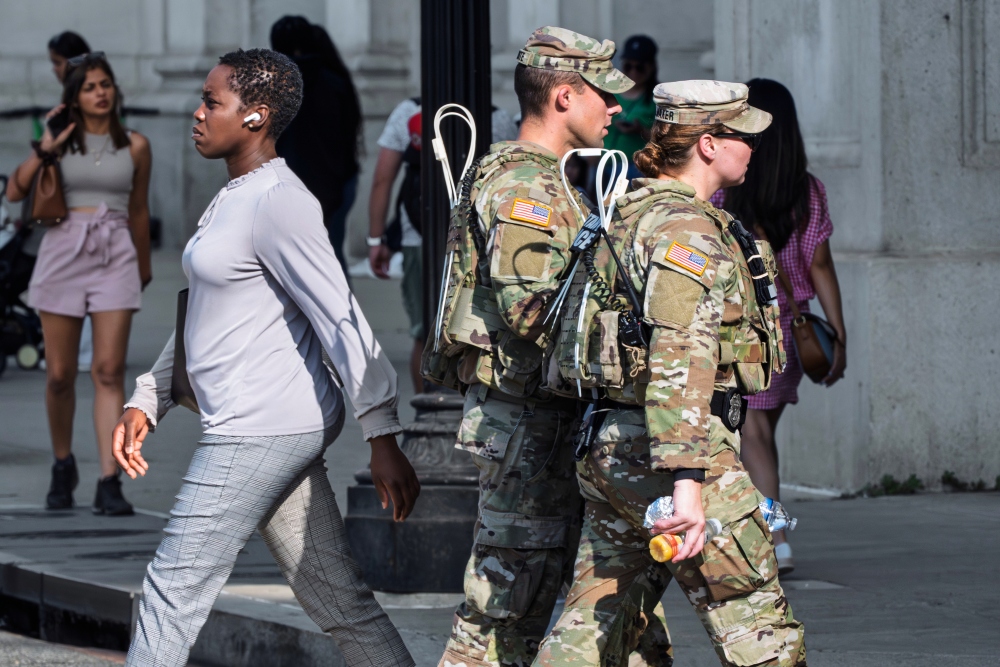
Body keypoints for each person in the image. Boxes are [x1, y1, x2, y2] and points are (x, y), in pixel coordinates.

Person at [112, 48, 419, 667]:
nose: (196, 114)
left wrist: (381, 432)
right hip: (273, 424)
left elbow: (340, 315)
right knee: (338, 601)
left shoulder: (280, 201)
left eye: (211, 102)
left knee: (172, 588)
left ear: (255, 117)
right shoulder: (238, 194)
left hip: (257, 430)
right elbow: (206, 309)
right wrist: (151, 395)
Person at [534, 80, 806, 667]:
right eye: (743, 137)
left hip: (614, 444)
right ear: (708, 144)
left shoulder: (628, 211)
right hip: (678, 456)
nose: (753, 149)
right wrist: (687, 480)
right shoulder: (686, 230)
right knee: (760, 632)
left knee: (590, 631)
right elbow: (680, 355)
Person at [426, 26, 672, 667]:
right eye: (604, 95)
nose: (617, 108)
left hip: (557, 423)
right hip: (532, 427)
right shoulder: (526, 190)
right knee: (504, 616)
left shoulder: (559, 180)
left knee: (614, 610)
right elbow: (534, 314)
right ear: (564, 97)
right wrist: (659, 342)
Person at [6, 52, 152, 515]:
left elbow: (139, 210)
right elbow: (14, 192)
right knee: (59, 376)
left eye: (105, 84)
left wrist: (142, 266)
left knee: (109, 371)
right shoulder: (57, 142)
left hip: (115, 255)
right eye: (89, 87)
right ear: (74, 96)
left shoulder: (135, 145)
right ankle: (63, 463)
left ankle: (110, 479)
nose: (100, 92)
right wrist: (45, 147)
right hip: (63, 251)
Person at [711, 78, 846, 574]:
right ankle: (761, 532)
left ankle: (778, 538)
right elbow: (822, 267)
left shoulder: (729, 190)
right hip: (791, 331)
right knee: (760, 438)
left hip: (745, 332)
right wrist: (839, 333)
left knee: (754, 438)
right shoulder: (808, 190)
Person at [367, 98, 517, 393]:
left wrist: (376, 239)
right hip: (479, 240)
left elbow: (382, 178)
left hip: (418, 236)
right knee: (475, 328)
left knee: (424, 331)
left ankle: (426, 406)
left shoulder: (408, 111)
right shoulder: (496, 119)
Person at [271, 16, 362, 281]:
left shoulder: (278, 85)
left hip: (292, 183)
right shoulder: (335, 80)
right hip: (337, 182)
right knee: (330, 259)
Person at [603, 34, 657, 177]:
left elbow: (663, 139)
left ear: (651, 67)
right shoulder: (609, 89)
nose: (633, 72)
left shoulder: (657, 97)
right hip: (603, 164)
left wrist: (640, 130)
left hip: (637, 168)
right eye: (628, 66)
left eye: (640, 68)